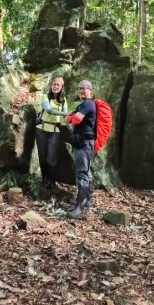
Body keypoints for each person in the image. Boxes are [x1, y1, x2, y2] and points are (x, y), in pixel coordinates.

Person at [66, 80, 96, 218]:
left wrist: (72, 116)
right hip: (83, 143)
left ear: (90, 90)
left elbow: (76, 120)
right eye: (80, 89)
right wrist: (71, 117)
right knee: (86, 172)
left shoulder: (88, 103)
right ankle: (86, 200)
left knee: (82, 174)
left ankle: (79, 208)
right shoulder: (82, 105)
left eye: (85, 88)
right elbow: (69, 119)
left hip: (84, 143)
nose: (82, 91)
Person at [35, 77, 68, 190]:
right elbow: (48, 110)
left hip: (54, 130)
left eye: (58, 85)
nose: (55, 86)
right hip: (42, 129)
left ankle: (52, 180)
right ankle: (45, 179)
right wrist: (66, 113)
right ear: (51, 85)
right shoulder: (45, 97)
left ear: (61, 87)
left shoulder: (63, 100)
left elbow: (66, 116)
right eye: (54, 84)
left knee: (51, 158)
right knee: (42, 157)